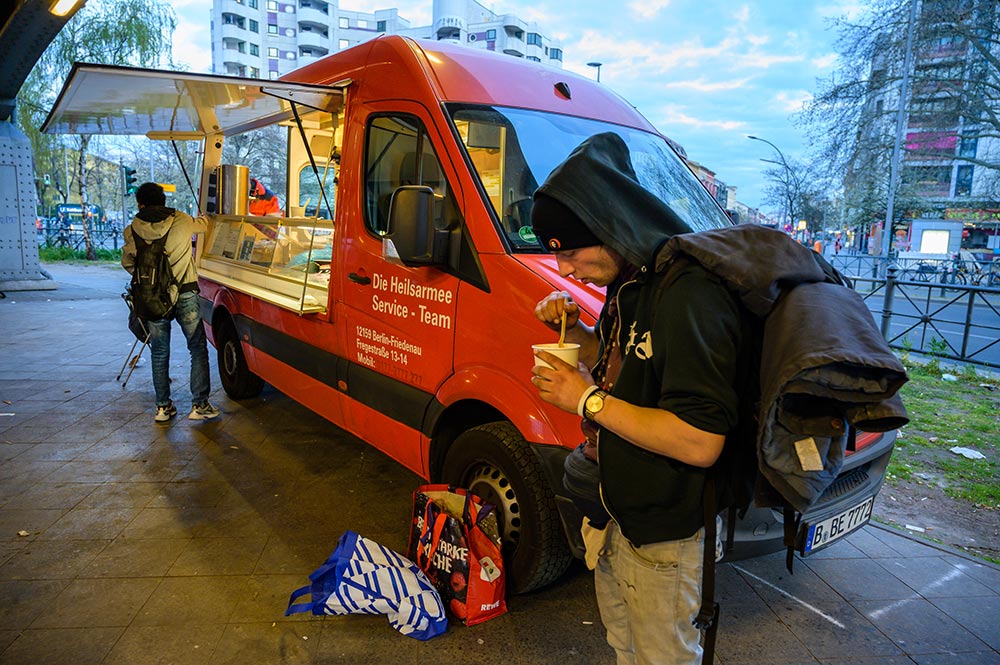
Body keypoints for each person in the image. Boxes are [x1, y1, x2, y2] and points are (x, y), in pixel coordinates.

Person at [529, 133, 745, 664]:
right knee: (625, 651)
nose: (564, 269)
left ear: (608, 228)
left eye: (571, 251)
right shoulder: (630, 283)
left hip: (666, 536)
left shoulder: (689, 293)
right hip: (616, 518)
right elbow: (628, 362)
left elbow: (700, 441)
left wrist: (587, 401)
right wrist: (574, 331)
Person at [122, 182, 220, 423]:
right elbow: (207, 224)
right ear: (164, 200)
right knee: (197, 348)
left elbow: (128, 264)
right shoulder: (182, 220)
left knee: (159, 351)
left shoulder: (132, 229)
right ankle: (200, 404)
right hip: (185, 293)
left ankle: (163, 408)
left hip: (152, 298)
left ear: (140, 203)